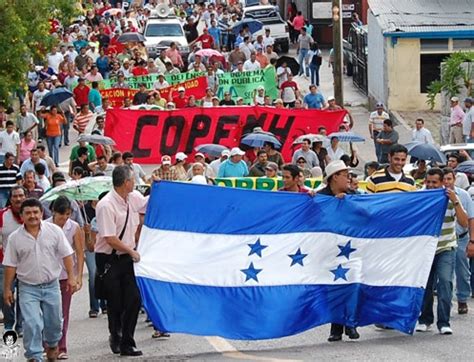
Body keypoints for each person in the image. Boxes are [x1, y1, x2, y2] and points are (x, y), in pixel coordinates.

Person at [3, 198, 76, 361]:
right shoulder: (15, 238)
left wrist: (72, 277)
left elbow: (67, 254)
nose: (32, 216)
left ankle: (52, 345)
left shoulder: (54, 231)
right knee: (32, 323)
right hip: (28, 288)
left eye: (35, 212)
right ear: (21, 216)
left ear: (42, 213)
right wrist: (7, 289)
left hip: (51, 286)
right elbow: (10, 265)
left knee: (55, 322)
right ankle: (34, 355)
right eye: (28, 213)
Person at [95, 166, 149, 357]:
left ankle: (128, 341)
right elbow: (110, 238)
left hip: (127, 257)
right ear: (125, 182)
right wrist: (131, 251)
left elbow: (147, 204)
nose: (135, 183)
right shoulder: (106, 205)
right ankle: (115, 335)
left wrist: (158, 187)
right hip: (109, 258)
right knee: (115, 302)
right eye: (133, 180)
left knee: (134, 299)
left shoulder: (133, 198)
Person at [416, 168, 468, 335]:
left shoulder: (450, 197)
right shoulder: (419, 197)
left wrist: (455, 201)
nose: (431, 185)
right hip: (424, 249)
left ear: (442, 183)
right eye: (428, 182)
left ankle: (444, 322)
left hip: (445, 247)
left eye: (434, 183)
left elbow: (464, 222)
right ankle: (425, 319)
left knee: (445, 282)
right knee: (426, 285)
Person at [317, 160, 360, 341]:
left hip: (352, 248)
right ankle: (336, 328)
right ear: (334, 177)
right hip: (329, 249)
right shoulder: (320, 197)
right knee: (335, 287)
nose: (348, 179)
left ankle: (350, 323)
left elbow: (366, 211)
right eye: (345, 175)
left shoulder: (354, 195)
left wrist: (349, 202)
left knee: (352, 285)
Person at [47, 196, 84, 360]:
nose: (64, 219)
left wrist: (78, 276)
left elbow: (80, 253)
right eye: (61, 215)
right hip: (48, 276)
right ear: (53, 212)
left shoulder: (74, 227)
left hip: (66, 276)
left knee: (63, 313)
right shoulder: (44, 226)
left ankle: (61, 346)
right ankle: (47, 345)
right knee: (47, 313)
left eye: (68, 215)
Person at [443, 168, 474, 314]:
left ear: (454, 179)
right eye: (444, 179)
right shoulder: (436, 195)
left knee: (462, 271)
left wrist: (472, 241)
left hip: (461, 238)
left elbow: (470, 219)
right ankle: (446, 303)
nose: (447, 182)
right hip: (445, 240)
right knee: (445, 275)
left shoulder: (464, 195)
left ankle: (462, 299)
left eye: (449, 179)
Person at [0, 186, 26, 337]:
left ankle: (20, 325)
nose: (18, 199)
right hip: (5, 262)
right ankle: (9, 322)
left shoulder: (31, 214)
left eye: (21, 196)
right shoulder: (3, 215)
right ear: (10, 199)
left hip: (25, 263)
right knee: (4, 293)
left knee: (24, 295)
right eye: (15, 196)